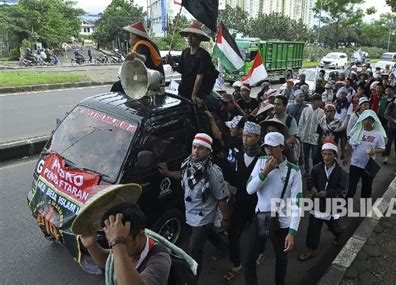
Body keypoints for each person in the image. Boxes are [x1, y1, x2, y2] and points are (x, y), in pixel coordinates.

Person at [159, 133, 230, 283]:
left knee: (194, 248)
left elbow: (221, 199)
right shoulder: (188, 163)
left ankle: (193, 279)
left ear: (209, 151)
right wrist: (167, 173)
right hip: (190, 211)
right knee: (208, 232)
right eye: (194, 147)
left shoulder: (213, 172)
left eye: (201, 148)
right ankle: (223, 247)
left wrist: (226, 220)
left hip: (203, 215)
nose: (196, 151)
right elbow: (182, 175)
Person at [245, 132, 303, 285]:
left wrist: (292, 232)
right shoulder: (261, 163)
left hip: (281, 223)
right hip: (260, 218)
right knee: (249, 259)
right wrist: (265, 172)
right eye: (266, 147)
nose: (268, 151)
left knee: (281, 259)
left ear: (282, 148)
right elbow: (250, 189)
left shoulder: (294, 171)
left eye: (272, 147)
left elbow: (297, 203)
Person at [80, 202, 172, 284]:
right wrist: (91, 245)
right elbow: (108, 261)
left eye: (123, 240)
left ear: (140, 235)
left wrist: (117, 242)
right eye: (109, 238)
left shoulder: (160, 259)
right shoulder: (122, 247)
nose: (111, 246)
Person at [224, 122, 265, 282]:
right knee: (233, 233)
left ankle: (260, 252)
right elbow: (235, 178)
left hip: (258, 205)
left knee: (261, 233)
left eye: (249, 136)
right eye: (243, 135)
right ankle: (236, 263)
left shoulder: (264, 158)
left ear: (257, 138)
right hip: (240, 202)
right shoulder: (239, 155)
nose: (245, 139)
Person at [298, 140, 348, 261]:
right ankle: (311, 249)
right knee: (313, 227)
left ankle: (339, 234)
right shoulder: (316, 169)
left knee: (334, 225)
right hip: (317, 204)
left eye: (330, 154)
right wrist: (313, 188)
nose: (326, 157)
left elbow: (342, 191)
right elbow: (310, 181)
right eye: (324, 154)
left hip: (332, 205)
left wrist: (327, 193)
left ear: (335, 155)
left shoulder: (342, 173)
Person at [111, 22, 165, 93]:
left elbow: (144, 58)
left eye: (130, 34)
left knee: (118, 86)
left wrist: (136, 55)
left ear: (135, 35)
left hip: (152, 76)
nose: (129, 36)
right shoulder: (148, 43)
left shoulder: (142, 44)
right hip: (149, 75)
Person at [345, 110, 386, 199]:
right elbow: (350, 145)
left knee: (366, 189)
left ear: (373, 121)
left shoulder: (377, 135)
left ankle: (365, 207)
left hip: (368, 166)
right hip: (355, 163)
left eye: (369, 120)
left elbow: (382, 148)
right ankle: (345, 206)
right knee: (351, 187)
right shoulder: (357, 132)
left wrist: (374, 151)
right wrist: (346, 157)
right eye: (365, 119)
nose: (367, 122)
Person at [172, 22, 216, 105]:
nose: (190, 38)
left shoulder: (203, 55)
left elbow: (200, 75)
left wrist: (194, 94)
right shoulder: (185, 52)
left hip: (197, 93)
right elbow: (181, 69)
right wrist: (172, 63)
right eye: (188, 35)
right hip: (184, 90)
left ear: (199, 39)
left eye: (193, 36)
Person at [298, 93, 324, 177]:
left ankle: (314, 171)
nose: (320, 102)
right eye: (318, 101)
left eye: (320, 101)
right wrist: (299, 133)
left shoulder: (322, 112)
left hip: (315, 138)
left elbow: (323, 125)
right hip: (305, 136)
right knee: (306, 156)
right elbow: (301, 122)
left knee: (314, 156)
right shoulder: (305, 110)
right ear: (313, 101)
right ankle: (306, 171)